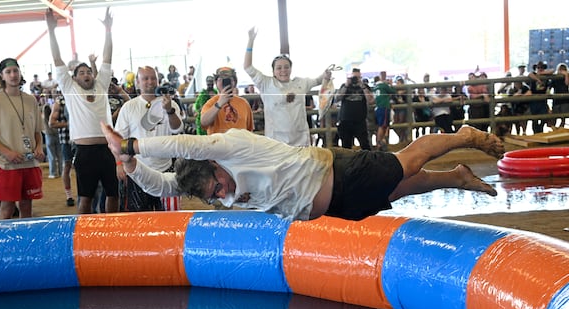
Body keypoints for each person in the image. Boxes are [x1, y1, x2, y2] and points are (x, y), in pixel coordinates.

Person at [102, 122, 504, 222]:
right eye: (213, 193)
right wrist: (130, 165)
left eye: (217, 182)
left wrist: (132, 145)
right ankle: (456, 176)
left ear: (214, 164)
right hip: (336, 207)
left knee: (408, 162)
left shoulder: (228, 147)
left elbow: (183, 145)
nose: (221, 191)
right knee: (402, 189)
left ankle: (464, 135)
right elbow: (159, 183)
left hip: (341, 174)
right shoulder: (201, 185)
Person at [46, 7, 119, 214]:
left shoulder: (101, 85)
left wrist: (108, 31)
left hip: (107, 150)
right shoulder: (70, 88)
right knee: (85, 199)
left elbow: (107, 57)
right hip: (84, 152)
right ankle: (83, 238)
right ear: (74, 77)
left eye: (88, 71)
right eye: (81, 72)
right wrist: (51, 30)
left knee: (113, 194)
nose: (86, 74)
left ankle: (111, 232)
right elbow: (57, 58)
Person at [244, 27, 331, 146]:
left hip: (300, 140)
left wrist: (326, 75)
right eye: (279, 68)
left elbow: (318, 80)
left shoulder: (300, 83)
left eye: (286, 67)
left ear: (291, 68)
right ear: (273, 71)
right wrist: (251, 40)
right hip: (276, 141)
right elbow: (247, 67)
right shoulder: (266, 83)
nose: (283, 70)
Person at [0, 58, 46, 219]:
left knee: (27, 205)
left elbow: (38, 131)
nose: (13, 75)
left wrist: (39, 147)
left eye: (15, 71)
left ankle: (25, 242)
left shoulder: (31, 100)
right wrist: (8, 153)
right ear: (2, 76)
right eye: (8, 72)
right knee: (7, 208)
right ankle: (2, 244)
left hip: (30, 162)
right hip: (8, 165)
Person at [114, 66, 184, 212]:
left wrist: (169, 110)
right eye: (145, 78)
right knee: (138, 218)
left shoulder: (171, 104)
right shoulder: (129, 107)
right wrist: (119, 163)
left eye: (153, 78)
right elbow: (119, 138)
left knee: (168, 218)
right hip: (137, 170)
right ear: (138, 83)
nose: (150, 82)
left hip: (165, 170)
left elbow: (177, 129)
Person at [200, 67, 254, 134]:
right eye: (221, 79)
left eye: (229, 79)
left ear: (234, 82)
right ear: (216, 83)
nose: (224, 82)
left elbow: (249, 130)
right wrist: (219, 103)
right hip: (219, 143)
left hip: (240, 143)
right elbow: (203, 123)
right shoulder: (210, 103)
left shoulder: (244, 103)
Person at [49, 89, 75, 206]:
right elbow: (52, 123)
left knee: (81, 166)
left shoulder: (81, 96)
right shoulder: (60, 101)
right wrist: (70, 124)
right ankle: (69, 195)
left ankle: (84, 194)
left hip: (80, 139)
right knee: (67, 165)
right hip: (67, 139)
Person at [335, 68, 372, 150]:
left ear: (361, 77)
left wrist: (363, 86)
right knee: (346, 146)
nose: (355, 80)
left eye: (358, 77)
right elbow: (337, 98)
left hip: (360, 120)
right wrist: (346, 85)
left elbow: (370, 100)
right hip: (345, 120)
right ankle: (349, 162)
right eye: (354, 77)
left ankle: (368, 162)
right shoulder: (344, 86)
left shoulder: (365, 86)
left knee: (365, 145)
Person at [526, 61, 551, 134]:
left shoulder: (546, 76)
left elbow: (552, 70)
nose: (540, 69)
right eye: (538, 67)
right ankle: (536, 132)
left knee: (543, 117)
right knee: (534, 118)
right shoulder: (533, 75)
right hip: (534, 100)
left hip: (542, 100)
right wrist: (538, 79)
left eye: (541, 67)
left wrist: (542, 74)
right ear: (536, 68)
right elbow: (530, 74)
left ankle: (540, 130)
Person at [374, 71, 396, 151]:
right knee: (383, 126)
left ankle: (380, 143)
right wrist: (390, 84)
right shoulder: (384, 85)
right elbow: (393, 91)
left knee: (382, 125)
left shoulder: (375, 86)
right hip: (384, 107)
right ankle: (379, 143)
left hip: (378, 107)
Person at [42, 99, 62, 178]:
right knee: (60, 155)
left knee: (51, 156)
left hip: (49, 135)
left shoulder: (44, 117)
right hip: (57, 134)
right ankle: (61, 172)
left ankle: (53, 173)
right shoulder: (55, 116)